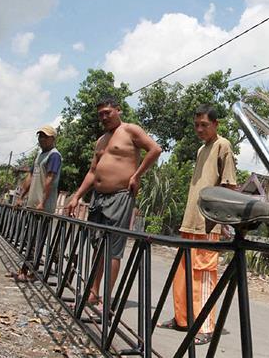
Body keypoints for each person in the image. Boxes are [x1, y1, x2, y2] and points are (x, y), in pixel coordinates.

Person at [65, 97, 161, 308]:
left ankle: (105, 303)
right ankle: (92, 294)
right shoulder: (101, 140)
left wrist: (136, 175)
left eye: (108, 112)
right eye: (100, 114)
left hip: (120, 196)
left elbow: (155, 149)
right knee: (98, 247)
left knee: (112, 249)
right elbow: (92, 171)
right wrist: (77, 196)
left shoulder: (130, 131)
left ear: (118, 110)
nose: (104, 117)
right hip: (98, 199)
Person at [158, 104, 237, 346]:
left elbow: (229, 186)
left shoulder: (223, 145)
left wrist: (220, 221)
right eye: (196, 125)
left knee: (203, 274)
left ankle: (205, 326)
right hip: (190, 221)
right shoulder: (202, 149)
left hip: (207, 224)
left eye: (204, 124)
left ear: (216, 124)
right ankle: (182, 319)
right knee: (182, 274)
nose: (200, 129)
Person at [13, 125, 62, 282]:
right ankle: (24, 269)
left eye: (45, 136)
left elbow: (50, 179)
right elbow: (30, 177)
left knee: (37, 239)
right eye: (40, 136)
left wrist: (42, 202)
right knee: (29, 238)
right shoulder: (40, 155)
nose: (41, 139)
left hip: (43, 206)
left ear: (53, 139)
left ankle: (31, 272)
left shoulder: (54, 156)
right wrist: (21, 196)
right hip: (32, 204)